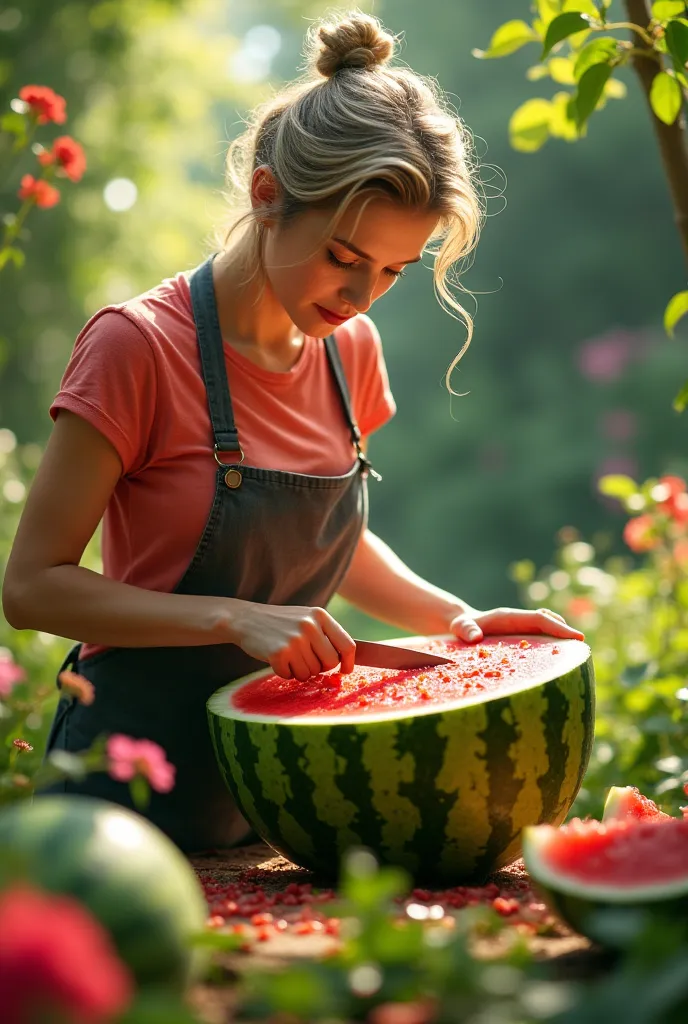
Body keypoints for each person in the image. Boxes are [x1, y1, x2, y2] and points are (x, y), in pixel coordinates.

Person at [1, 11, 583, 853]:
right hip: (121, 795)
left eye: (394, 270)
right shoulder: (138, 348)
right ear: (267, 196)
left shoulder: (351, 352)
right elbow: (31, 588)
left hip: (274, 806)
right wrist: (233, 619)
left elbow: (325, 547)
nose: (363, 296)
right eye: (346, 258)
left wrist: (460, 627)